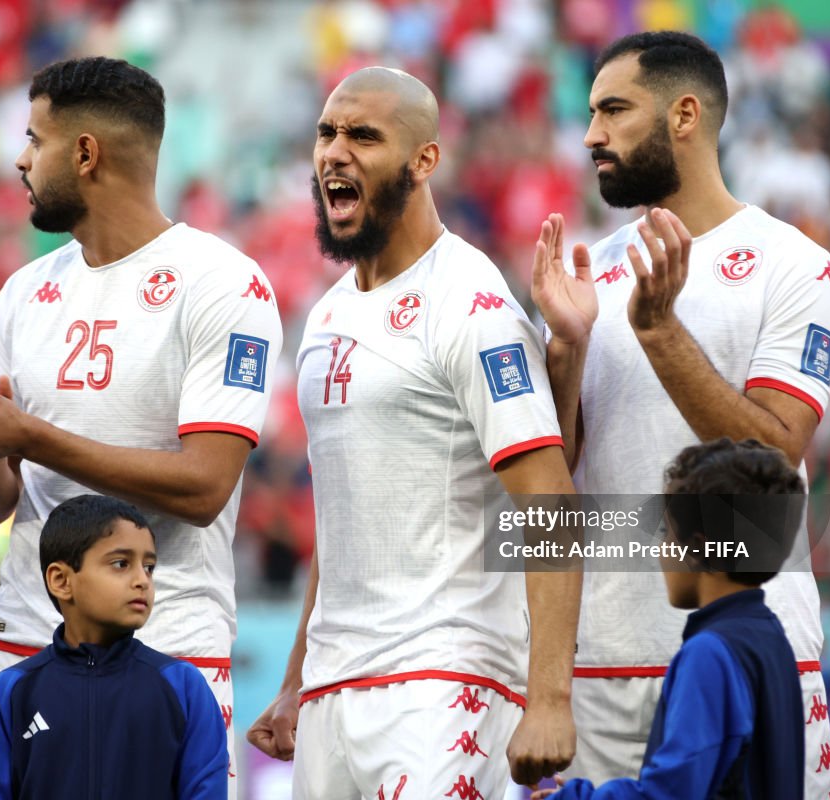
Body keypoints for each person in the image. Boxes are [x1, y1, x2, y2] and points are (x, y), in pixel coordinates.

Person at [0, 57, 282, 793]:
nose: (20, 159)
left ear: (85, 154)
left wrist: (29, 436)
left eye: (35, 139)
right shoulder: (26, 293)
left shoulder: (223, 284)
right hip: (21, 648)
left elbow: (206, 486)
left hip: (169, 652)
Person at [246, 67, 581, 798]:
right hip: (334, 690)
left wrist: (549, 696)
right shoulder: (328, 315)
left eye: (363, 135)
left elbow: (549, 502)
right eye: (327, 133)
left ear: (424, 160)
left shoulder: (472, 304)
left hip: (444, 680)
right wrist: (298, 676)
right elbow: (343, 522)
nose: (335, 151)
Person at [531, 31, 830, 797]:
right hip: (603, 665)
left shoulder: (793, 266)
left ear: (685, 115)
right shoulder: (589, 271)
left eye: (614, 110)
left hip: (749, 651)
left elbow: (770, 458)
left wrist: (661, 332)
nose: (591, 134)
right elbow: (547, 484)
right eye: (591, 112)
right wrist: (565, 357)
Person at [533, 438, 806, 799]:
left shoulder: (709, 654)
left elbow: (670, 794)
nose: (659, 551)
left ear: (698, 547)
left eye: (665, 533)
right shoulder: (771, 638)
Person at [0, 494, 229, 800]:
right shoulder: (13, 691)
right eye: (120, 563)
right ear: (61, 580)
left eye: (149, 567)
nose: (142, 580)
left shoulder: (183, 687)